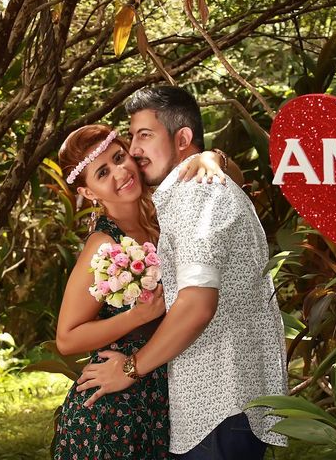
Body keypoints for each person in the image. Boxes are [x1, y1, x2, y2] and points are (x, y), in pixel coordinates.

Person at [75, 86, 288, 459]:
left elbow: (196, 304)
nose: (135, 151)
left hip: (217, 407)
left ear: (183, 138)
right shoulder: (197, 191)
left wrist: (129, 368)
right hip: (228, 403)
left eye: (145, 136)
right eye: (132, 138)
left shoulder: (195, 196)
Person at [53, 124, 236, 459]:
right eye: (103, 172)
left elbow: (214, 177)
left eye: (120, 157)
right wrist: (137, 315)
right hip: (113, 413)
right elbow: (66, 338)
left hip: (161, 398)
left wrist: (212, 157)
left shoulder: (163, 212)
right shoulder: (104, 245)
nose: (120, 172)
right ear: (90, 193)